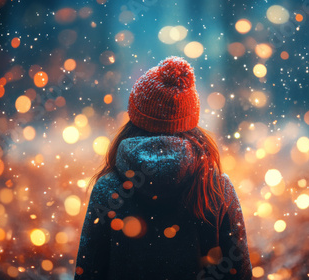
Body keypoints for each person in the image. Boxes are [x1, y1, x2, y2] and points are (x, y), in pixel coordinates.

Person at [75, 56, 252, 280]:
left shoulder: (108, 188)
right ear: (190, 120)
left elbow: (88, 272)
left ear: (134, 116)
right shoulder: (216, 188)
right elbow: (240, 273)